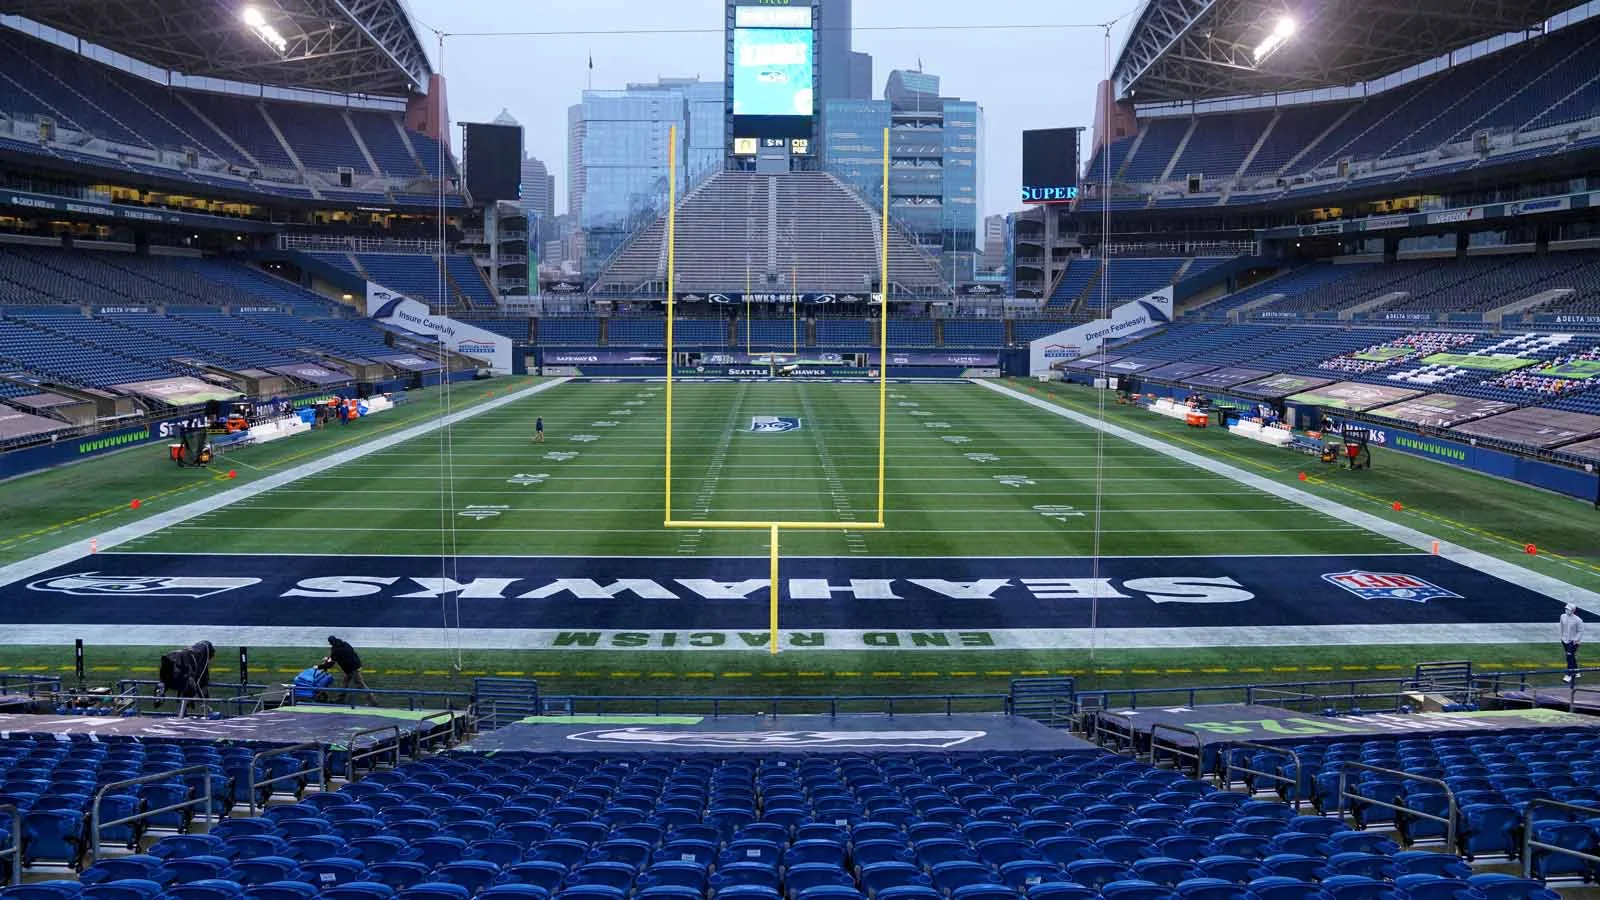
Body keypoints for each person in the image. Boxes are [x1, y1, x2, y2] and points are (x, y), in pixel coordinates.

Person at [154, 640, 215, 714]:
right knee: (190, 684)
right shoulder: (203, 656)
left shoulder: (191, 650)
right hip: (182, 663)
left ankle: (161, 689)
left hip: (170, 657)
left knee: (165, 680)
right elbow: (201, 682)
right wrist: (204, 702)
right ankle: (184, 706)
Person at [326, 635, 378, 705]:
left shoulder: (335, 650)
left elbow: (331, 662)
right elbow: (352, 653)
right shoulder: (345, 644)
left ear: (331, 643)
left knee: (361, 684)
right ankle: (341, 698)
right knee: (345, 681)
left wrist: (323, 665)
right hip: (355, 665)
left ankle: (373, 701)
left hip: (352, 669)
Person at [1561, 603, 1584, 684]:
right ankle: (1577, 671)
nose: (1566, 610)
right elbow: (1562, 627)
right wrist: (1562, 637)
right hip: (1564, 640)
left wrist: (1575, 640)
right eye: (1566, 609)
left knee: (1569, 656)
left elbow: (1580, 631)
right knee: (1571, 656)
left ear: (1573, 611)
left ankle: (1569, 674)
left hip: (1573, 642)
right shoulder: (1562, 616)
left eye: (1568, 609)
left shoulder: (1578, 620)